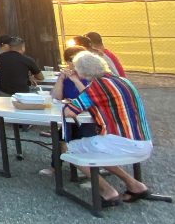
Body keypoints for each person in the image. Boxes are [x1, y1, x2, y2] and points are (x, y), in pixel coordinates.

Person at [60, 51, 152, 203]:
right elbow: (94, 98)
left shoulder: (97, 87)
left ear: (82, 71)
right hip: (143, 140)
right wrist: (77, 82)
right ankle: (135, 185)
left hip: (123, 141)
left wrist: (72, 96)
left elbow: (70, 112)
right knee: (96, 150)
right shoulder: (122, 81)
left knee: (68, 148)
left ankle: (108, 192)